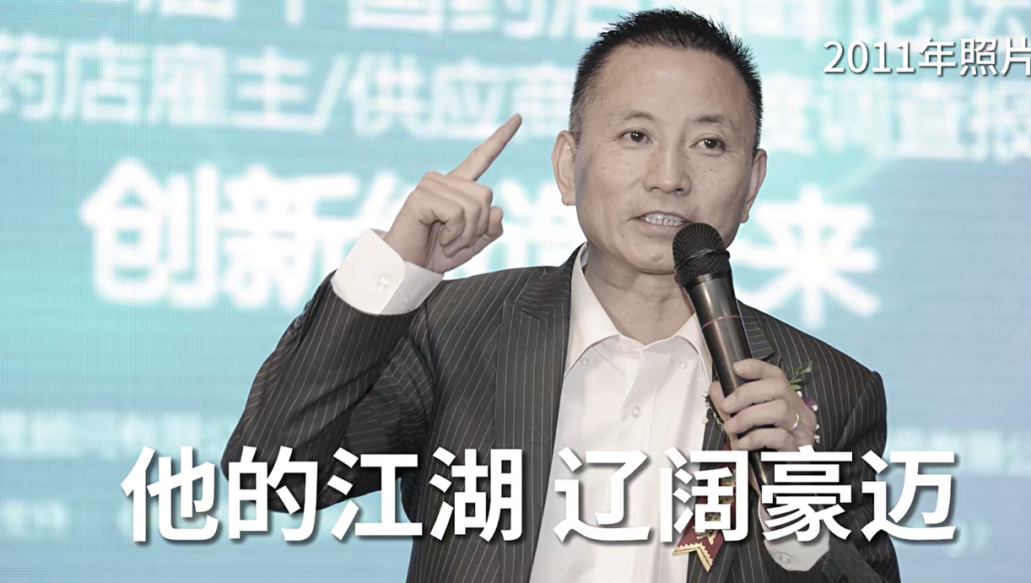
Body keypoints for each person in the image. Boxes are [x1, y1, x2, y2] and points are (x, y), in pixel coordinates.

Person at [222, 8, 899, 583]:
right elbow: (272, 479)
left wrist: (799, 513)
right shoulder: (454, 331)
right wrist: (395, 272)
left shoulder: (830, 389)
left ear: (751, 184)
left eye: (709, 143)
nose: (669, 176)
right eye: (636, 136)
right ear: (568, 165)